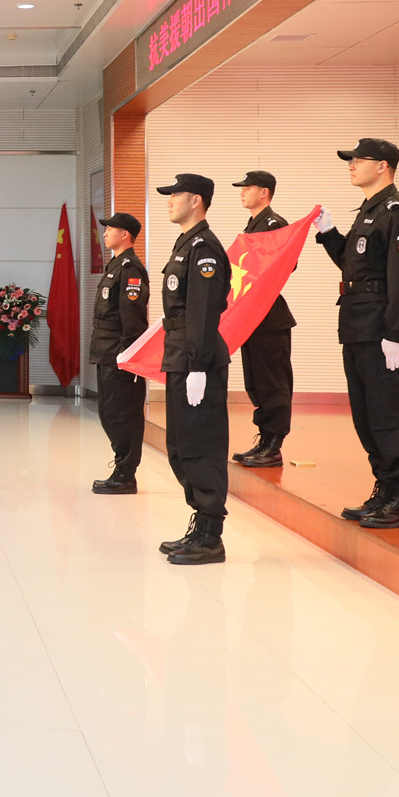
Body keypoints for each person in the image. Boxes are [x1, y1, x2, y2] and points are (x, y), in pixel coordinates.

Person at [314, 138, 399, 529]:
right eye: (351, 160)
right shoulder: (368, 212)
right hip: (357, 327)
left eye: (358, 160)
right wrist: (329, 233)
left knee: (390, 415)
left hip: (382, 331)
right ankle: (384, 486)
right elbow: (352, 263)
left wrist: (396, 332)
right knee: (367, 416)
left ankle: (398, 497)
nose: (351, 165)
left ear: (382, 166)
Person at [152, 173, 232, 566]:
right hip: (180, 352)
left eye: (175, 195)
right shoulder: (186, 244)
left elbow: (202, 311)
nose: (169, 201)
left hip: (196, 357)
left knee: (202, 445)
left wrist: (198, 365)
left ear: (196, 200)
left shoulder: (205, 248)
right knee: (181, 446)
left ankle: (211, 537)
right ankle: (200, 524)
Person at [231, 171, 297, 469]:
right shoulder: (253, 225)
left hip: (269, 317)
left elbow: (288, 263)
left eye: (248, 188)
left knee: (273, 383)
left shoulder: (274, 224)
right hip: (251, 316)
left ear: (264, 192)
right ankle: (265, 438)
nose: (242, 192)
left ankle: (274, 445)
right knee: (256, 382)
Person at [88, 212, 150, 495]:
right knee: (109, 412)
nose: (105, 233)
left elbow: (132, 319)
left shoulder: (131, 268)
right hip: (105, 351)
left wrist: (128, 357)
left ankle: (126, 474)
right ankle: (121, 468)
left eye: (110, 229)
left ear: (125, 235)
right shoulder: (115, 265)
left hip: (119, 354)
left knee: (123, 414)